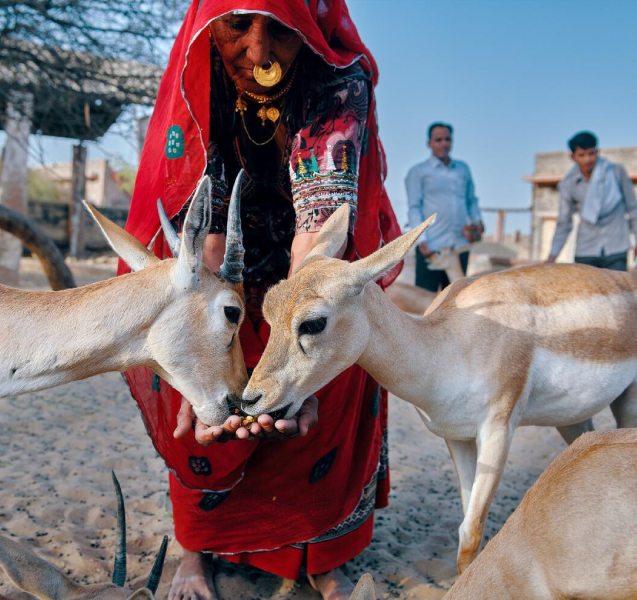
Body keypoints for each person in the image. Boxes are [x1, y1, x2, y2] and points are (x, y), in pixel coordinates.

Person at [118, 2, 402, 599]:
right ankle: (195, 551)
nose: (260, 51)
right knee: (195, 365)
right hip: (220, 265)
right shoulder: (199, 76)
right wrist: (205, 358)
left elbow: (322, 228)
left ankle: (321, 554)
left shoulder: (338, 79)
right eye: (237, 25)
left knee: (327, 342)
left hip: (309, 262)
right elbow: (206, 227)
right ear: (208, 24)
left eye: (281, 29)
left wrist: (300, 354)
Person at [546, 131, 637, 270]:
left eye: (591, 153)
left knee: (617, 291)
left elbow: (633, 208)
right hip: (586, 250)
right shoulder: (569, 184)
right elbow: (564, 223)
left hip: (616, 248)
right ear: (573, 157)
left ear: (597, 152)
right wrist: (552, 256)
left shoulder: (616, 172)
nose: (587, 159)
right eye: (582, 155)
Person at [405, 123, 484, 292]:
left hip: (459, 246)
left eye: (447, 139)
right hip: (433, 249)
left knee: (458, 302)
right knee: (427, 303)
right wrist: (422, 239)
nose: (443, 144)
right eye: (438, 140)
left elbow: (471, 200)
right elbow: (414, 208)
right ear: (429, 143)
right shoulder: (418, 172)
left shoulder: (462, 169)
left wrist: (477, 221)